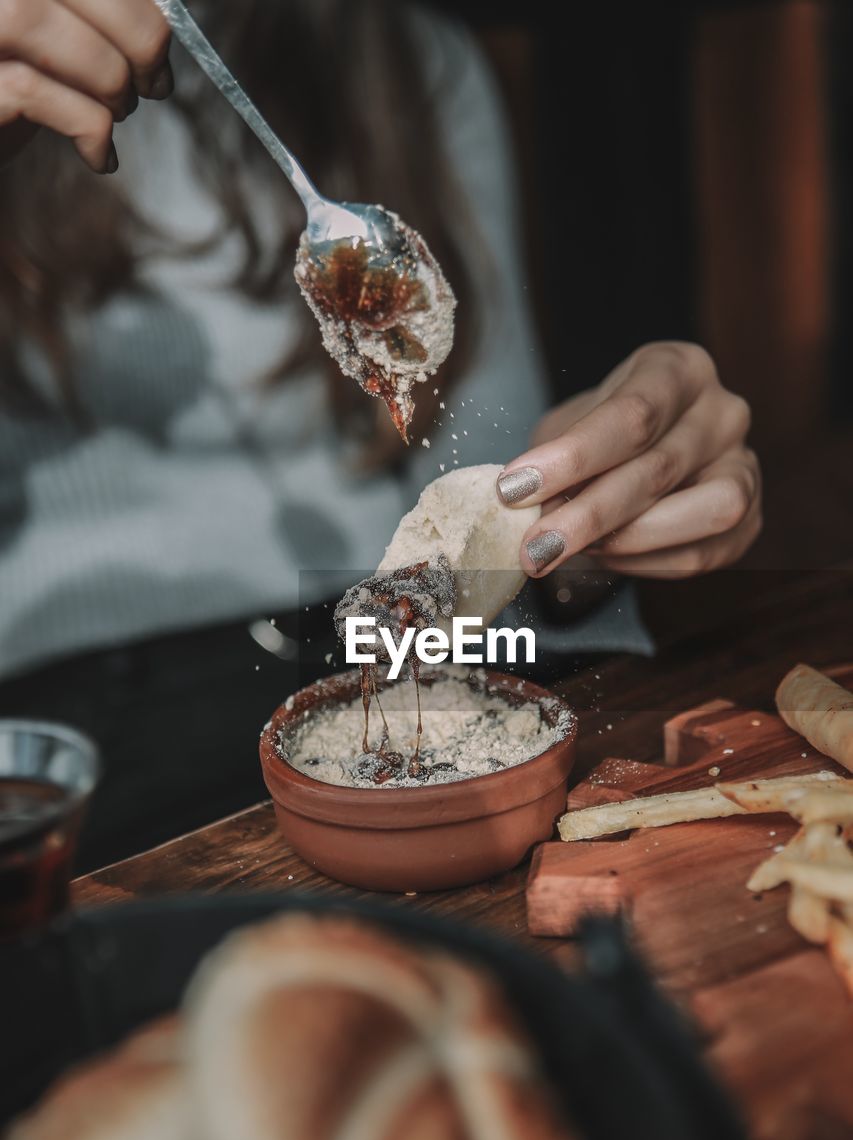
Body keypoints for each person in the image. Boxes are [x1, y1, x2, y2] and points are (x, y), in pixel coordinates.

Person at [0, 0, 760, 869]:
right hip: (78, 720)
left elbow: (487, 507)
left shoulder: (409, 62)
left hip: (398, 649)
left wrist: (590, 508)